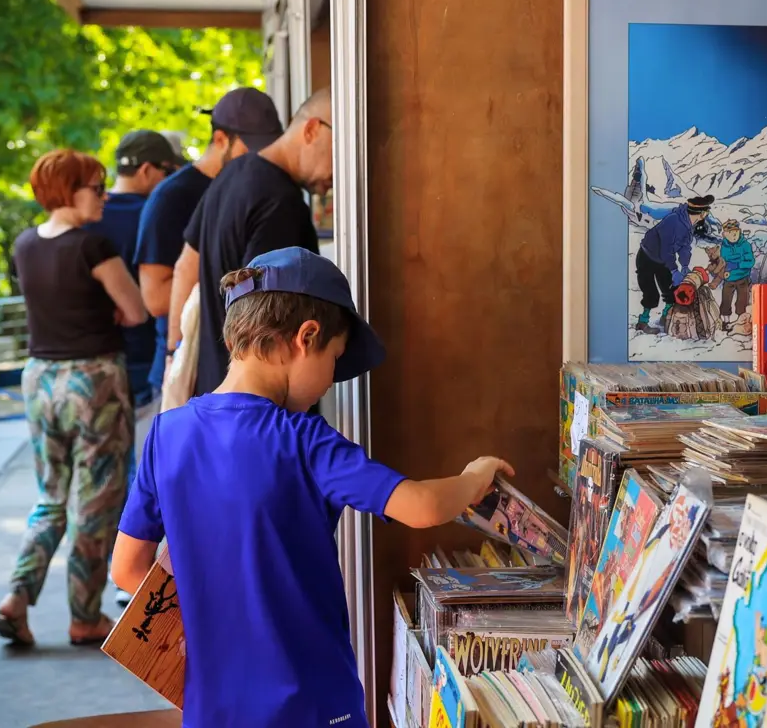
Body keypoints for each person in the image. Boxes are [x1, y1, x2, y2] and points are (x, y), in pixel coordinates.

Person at [112, 246, 513, 728]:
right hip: (312, 706)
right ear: (306, 337)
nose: (329, 382)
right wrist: (473, 477)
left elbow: (127, 568)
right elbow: (422, 506)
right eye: (335, 359)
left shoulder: (165, 436)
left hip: (212, 709)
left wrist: (212, 620)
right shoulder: (304, 440)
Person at [0, 149, 148, 647]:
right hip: (93, 381)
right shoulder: (92, 246)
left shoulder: (24, 245)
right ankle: (85, 617)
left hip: (40, 380)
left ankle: (17, 597)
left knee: (51, 497)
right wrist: (115, 311)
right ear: (69, 190)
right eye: (96, 187)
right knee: (96, 502)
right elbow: (137, 309)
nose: (104, 196)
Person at [169, 87, 332, 397]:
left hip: (216, 391)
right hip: (257, 408)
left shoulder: (230, 175)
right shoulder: (281, 203)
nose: (340, 172)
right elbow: (269, 323)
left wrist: (173, 353)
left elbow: (185, 265)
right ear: (313, 130)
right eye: (342, 149)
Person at [134, 88, 283, 392]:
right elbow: (154, 299)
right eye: (250, 148)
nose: (259, 159)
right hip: (188, 363)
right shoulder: (171, 197)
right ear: (219, 140)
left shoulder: (257, 186)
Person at [85, 129, 182, 408]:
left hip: (97, 354)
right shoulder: (159, 214)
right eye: (168, 170)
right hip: (148, 353)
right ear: (147, 170)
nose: (169, 179)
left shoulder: (89, 217)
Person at [634, 194, 714, 333]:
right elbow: (666, 249)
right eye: (706, 212)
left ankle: (665, 317)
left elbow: (685, 247)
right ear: (702, 213)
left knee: (670, 289)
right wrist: (673, 270)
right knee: (651, 293)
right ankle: (643, 322)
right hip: (648, 256)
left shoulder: (688, 224)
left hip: (662, 259)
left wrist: (684, 265)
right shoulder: (674, 221)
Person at [717, 218, 755, 331]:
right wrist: (723, 272)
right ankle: (726, 321)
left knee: (742, 300)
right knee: (726, 299)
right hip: (729, 278)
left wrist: (738, 264)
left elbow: (751, 262)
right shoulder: (724, 247)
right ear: (724, 234)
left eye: (736, 232)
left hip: (743, 278)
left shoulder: (745, 245)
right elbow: (723, 262)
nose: (733, 235)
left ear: (739, 232)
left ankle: (741, 321)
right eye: (730, 233)